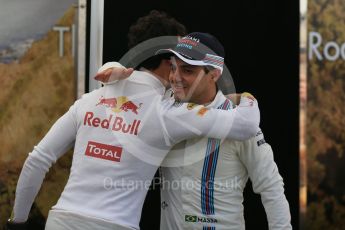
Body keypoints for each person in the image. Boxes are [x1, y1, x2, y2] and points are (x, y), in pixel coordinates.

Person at [7, 12, 259, 230]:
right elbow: (247, 125)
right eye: (177, 61)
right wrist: (247, 98)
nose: (179, 69)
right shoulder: (168, 114)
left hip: (62, 221)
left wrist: (18, 222)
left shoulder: (91, 98)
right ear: (167, 60)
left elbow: (37, 161)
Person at [97, 32, 292, 229]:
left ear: (214, 74)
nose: (175, 78)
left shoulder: (239, 121)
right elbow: (120, 89)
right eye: (173, 68)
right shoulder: (162, 107)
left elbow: (271, 187)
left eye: (187, 71)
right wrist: (111, 68)